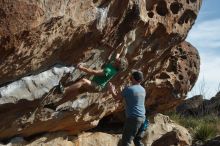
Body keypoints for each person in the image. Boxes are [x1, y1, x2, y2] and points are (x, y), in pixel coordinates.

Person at [109, 70, 147, 146]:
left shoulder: (129, 89)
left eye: (131, 77)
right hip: (143, 118)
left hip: (133, 119)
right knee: (137, 141)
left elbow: (116, 98)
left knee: (126, 142)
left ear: (132, 78)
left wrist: (111, 90)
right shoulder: (143, 90)